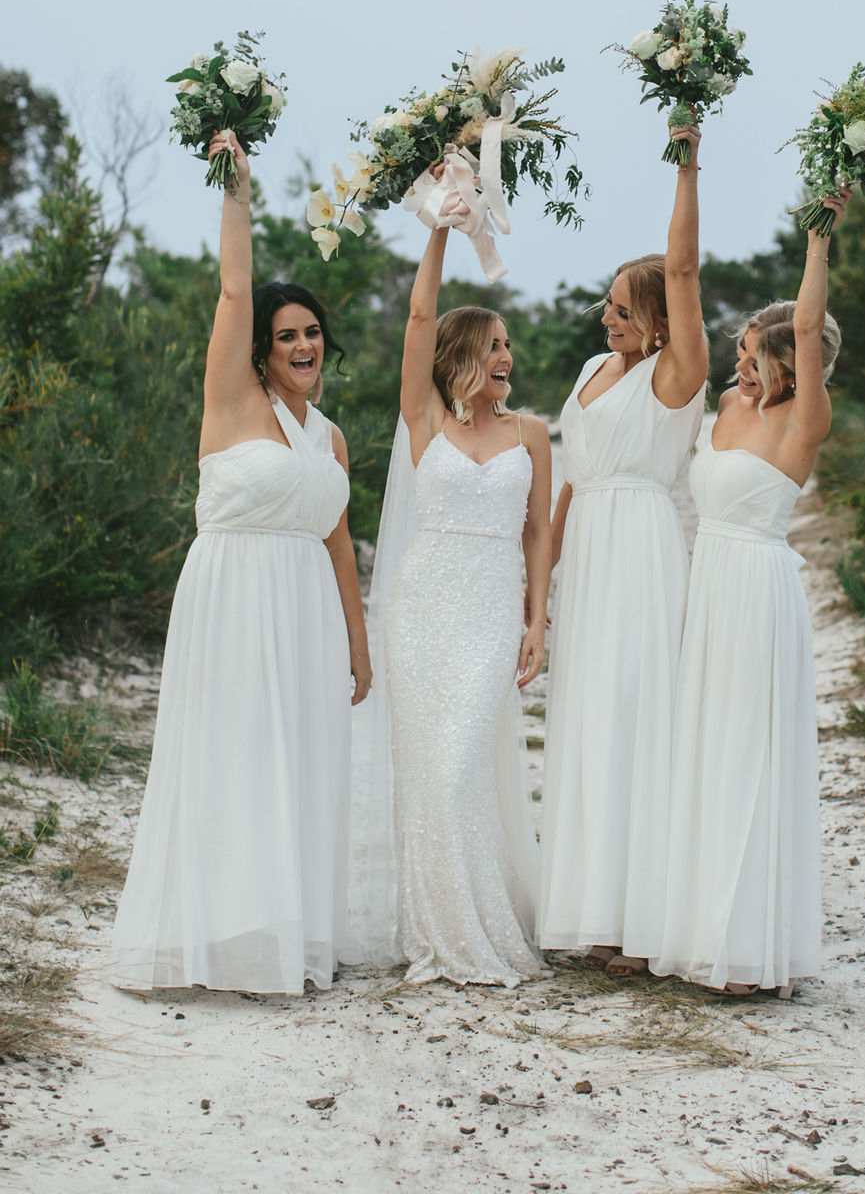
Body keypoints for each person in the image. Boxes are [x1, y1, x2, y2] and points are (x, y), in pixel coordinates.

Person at [110, 130, 371, 994]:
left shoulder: (329, 436)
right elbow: (232, 288)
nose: (305, 346)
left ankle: (283, 936)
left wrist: (358, 646)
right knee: (232, 758)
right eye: (288, 335)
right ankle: (213, 938)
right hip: (231, 597)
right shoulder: (232, 402)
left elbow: (338, 543)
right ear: (262, 348)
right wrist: (237, 189)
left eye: (314, 334)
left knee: (299, 767)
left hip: (306, 615)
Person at [650, 177, 851, 997]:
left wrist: (817, 238)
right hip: (711, 589)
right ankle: (703, 930)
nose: (739, 366)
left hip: (762, 592)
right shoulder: (726, 411)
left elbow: (805, 321)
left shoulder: (805, 421)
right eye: (738, 356)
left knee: (753, 757)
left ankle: (750, 945)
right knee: (706, 749)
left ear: (790, 365)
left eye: (752, 356)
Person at [536, 124, 708, 976]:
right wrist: (544, 576)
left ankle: (642, 922)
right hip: (590, 553)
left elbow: (683, 267)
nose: (607, 316)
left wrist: (685, 164)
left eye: (622, 307)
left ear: (656, 316)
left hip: (642, 549)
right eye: (607, 305)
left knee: (637, 720)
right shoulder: (584, 372)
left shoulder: (675, 375)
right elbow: (567, 481)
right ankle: (592, 910)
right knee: (588, 722)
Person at [378, 223, 551, 986]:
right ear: (462, 357)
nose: (507, 357)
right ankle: (440, 931)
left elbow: (539, 532)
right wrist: (442, 230)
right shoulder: (426, 424)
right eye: (494, 345)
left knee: (460, 766)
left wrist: (536, 620)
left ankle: (478, 923)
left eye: (509, 345)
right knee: (432, 772)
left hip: (487, 609)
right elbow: (418, 320)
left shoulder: (533, 435)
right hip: (421, 609)